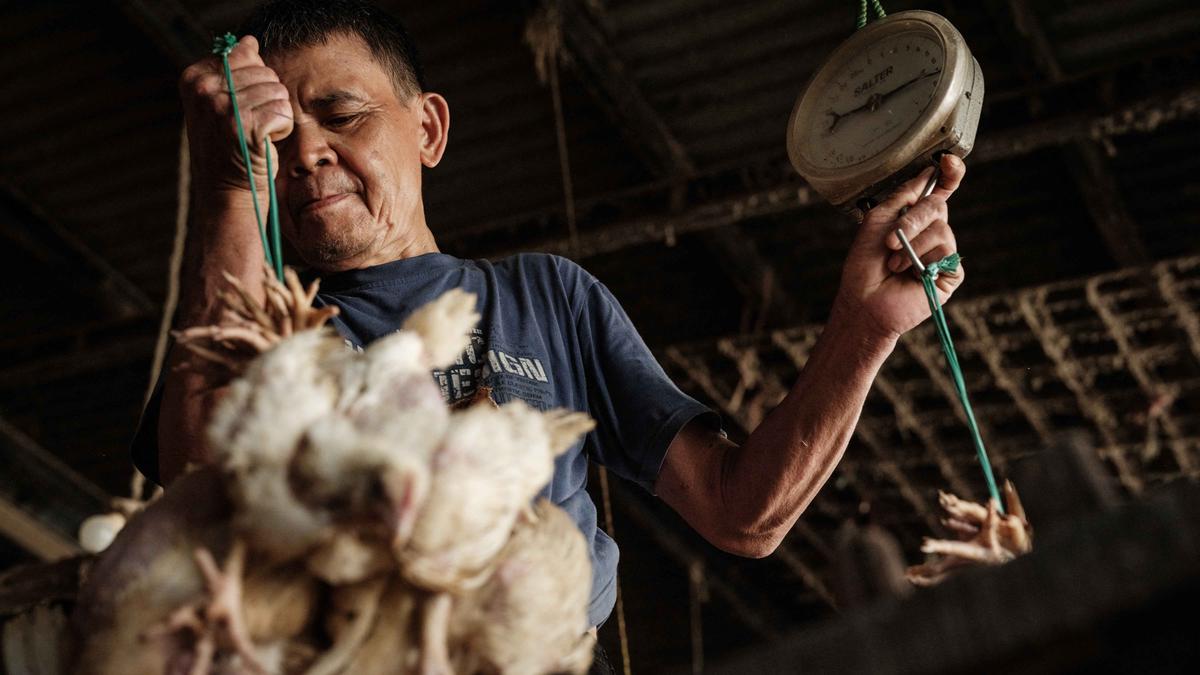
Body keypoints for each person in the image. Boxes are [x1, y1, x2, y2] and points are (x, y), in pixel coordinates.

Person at [136, 0, 965, 642]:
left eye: (343, 114)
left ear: (427, 128)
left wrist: (865, 327)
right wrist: (227, 192)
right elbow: (202, 502)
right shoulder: (260, 328)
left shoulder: (548, 300)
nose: (307, 152)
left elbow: (741, 510)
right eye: (278, 141)